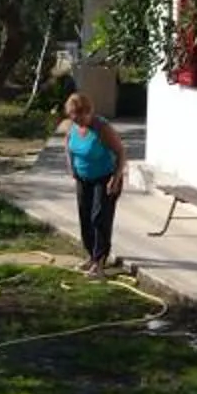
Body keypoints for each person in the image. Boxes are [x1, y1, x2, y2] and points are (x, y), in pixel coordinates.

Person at [63, 89, 127, 276]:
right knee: (85, 217)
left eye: (82, 115)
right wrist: (71, 166)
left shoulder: (101, 128)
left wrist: (115, 179)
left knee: (99, 217)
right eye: (74, 116)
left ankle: (100, 262)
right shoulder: (73, 127)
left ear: (89, 111)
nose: (78, 120)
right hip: (84, 178)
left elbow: (121, 152)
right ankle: (91, 255)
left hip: (106, 177)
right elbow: (68, 145)